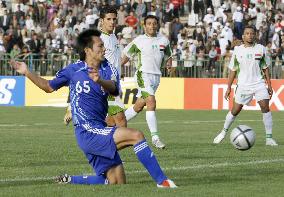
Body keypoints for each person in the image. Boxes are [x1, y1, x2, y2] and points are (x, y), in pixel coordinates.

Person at [11, 29, 177, 188]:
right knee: (136, 135)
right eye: (100, 46)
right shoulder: (73, 70)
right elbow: (48, 87)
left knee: (117, 182)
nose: (104, 49)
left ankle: (71, 180)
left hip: (99, 128)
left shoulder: (108, 68)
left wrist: (99, 81)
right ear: (88, 50)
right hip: (87, 131)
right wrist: (26, 72)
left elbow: (114, 89)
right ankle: (162, 182)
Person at [213, 26, 278, 146]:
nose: (250, 35)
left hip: (259, 83)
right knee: (235, 110)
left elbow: (265, 68)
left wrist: (269, 85)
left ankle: (269, 138)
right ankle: (223, 132)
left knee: (265, 107)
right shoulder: (238, 50)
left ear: (255, 35)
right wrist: (228, 88)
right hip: (243, 85)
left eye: (252, 33)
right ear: (243, 36)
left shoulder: (261, 49)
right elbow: (233, 70)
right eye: (247, 33)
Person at [64, 6, 127, 128]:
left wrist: (119, 72)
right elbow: (83, 66)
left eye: (114, 19)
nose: (112, 22)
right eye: (108, 19)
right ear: (101, 20)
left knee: (111, 123)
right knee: (121, 122)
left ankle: (97, 140)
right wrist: (70, 107)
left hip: (112, 84)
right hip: (103, 86)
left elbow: (112, 61)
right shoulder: (98, 40)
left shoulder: (113, 37)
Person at [121, 15, 172, 149]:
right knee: (151, 102)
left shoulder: (164, 40)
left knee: (138, 106)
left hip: (156, 77)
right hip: (142, 74)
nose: (152, 26)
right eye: (149, 23)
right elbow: (125, 57)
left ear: (157, 25)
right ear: (145, 26)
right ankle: (155, 138)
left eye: (154, 23)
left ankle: (114, 123)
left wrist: (169, 64)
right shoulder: (139, 41)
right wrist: (116, 70)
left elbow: (168, 55)